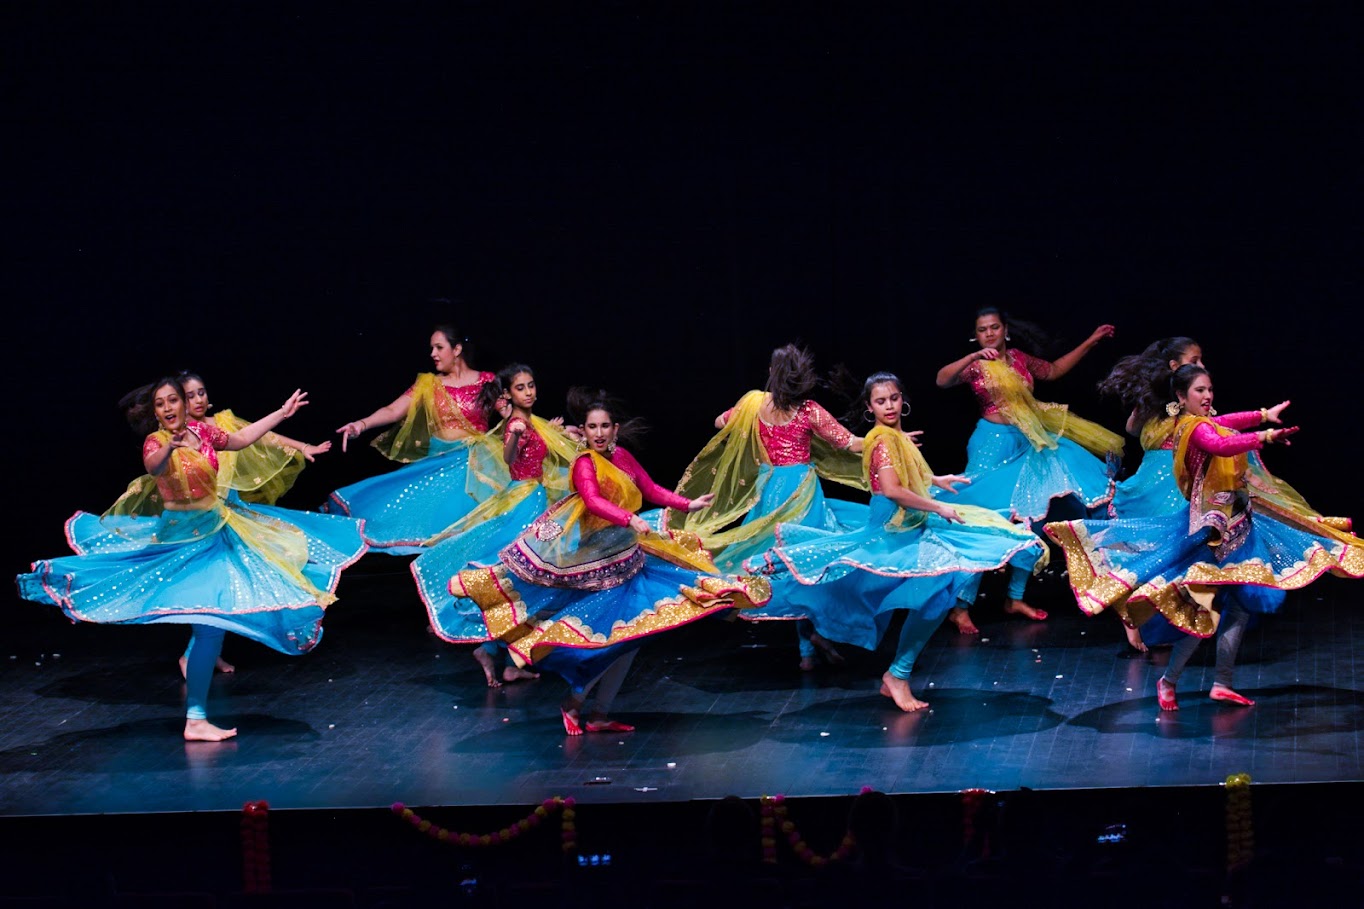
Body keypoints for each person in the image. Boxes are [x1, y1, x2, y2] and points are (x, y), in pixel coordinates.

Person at [17, 377, 367, 741]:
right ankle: (195, 717)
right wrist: (170, 448)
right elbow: (153, 466)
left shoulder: (203, 431)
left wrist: (282, 412)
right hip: (180, 544)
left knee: (211, 627)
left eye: (173, 401)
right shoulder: (157, 441)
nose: (168, 408)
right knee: (190, 615)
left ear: (184, 405)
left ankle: (196, 718)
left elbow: (241, 440)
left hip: (215, 534)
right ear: (155, 412)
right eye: (160, 404)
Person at [449, 387, 771, 734]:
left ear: (615, 429)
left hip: (630, 560)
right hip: (599, 566)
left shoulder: (624, 458)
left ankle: (599, 714)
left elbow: (649, 489)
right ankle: (573, 702)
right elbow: (592, 501)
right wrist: (628, 518)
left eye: (605, 427)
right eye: (592, 427)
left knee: (629, 643)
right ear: (583, 432)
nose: (599, 433)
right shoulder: (585, 464)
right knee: (610, 643)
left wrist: (686, 504)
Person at [1045, 364, 1364, 710]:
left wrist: (1261, 415)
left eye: (1210, 389)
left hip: (1238, 523)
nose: (1208, 396)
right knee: (1206, 614)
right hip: (1210, 533)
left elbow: (1228, 422)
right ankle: (1168, 682)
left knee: (1240, 609)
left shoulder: (1206, 421)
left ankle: (1221, 683)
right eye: (1199, 390)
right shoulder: (1191, 428)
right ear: (1181, 398)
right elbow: (1221, 445)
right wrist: (1265, 437)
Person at [755, 373, 1048, 712]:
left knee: (941, 590)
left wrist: (936, 479)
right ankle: (889, 670)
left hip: (908, 521)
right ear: (869, 407)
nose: (889, 405)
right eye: (881, 401)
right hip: (893, 528)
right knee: (896, 589)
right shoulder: (882, 441)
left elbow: (903, 478)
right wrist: (938, 504)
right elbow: (892, 490)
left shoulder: (895, 437)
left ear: (902, 399)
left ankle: (895, 672)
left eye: (893, 398)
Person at [653, 343, 870, 671]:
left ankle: (807, 650)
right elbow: (850, 443)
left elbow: (717, 422)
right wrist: (888, 439)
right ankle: (811, 642)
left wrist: (743, 417)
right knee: (806, 560)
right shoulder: (809, 410)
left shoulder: (753, 404)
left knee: (777, 559)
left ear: (772, 373)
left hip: (768, 490)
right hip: (800, 492)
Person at [933, 307, 1124, 633]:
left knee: (1030, 515)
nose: (990, 333)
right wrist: (972, 356)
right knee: (986, 518)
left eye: (994, 328)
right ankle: (961, 606)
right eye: (982, 330)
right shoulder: (978, 365)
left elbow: (1052, 370)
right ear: (976, 335)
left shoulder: (1019, 358)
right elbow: (942, 380)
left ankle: (1014, 596)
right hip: (991, 446)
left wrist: (1090, 341)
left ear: (1006, 330)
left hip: (1026, 441)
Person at [409, 363, 579, 687]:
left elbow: (540, 439)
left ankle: (500, 654)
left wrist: (560, 431)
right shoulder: (516, 423)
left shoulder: (528, 419)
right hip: (525, 501)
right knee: (518, 573)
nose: (529, 391)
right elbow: (509, 457)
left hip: (534, 497)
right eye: (521, 388)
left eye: (531, 385)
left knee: (522, 578)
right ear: (508, 394)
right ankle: (498, 650)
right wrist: (512, 439)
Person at [327, 325, 508, 553]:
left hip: (475, 464)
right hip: (438, 461)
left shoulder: (487, 381)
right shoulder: (429, 384)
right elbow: (393, 410)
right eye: (432, 348)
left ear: (457, 349)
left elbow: (511, 416)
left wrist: (545, 430)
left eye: (439, 347)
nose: (433, 353)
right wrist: (361, 424)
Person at [1095, 337, 1205, 650]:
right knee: (1151, 547)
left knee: (1179, 550)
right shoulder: (1160, 397)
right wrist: (1155, 410)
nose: (1200, 366)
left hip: (1183, 477)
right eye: (1194, 360)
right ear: (1174, 366)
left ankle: (1166, 620)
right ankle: (1134, 615)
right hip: (1158, 478)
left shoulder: (1197, 393)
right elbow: (1132, 428)